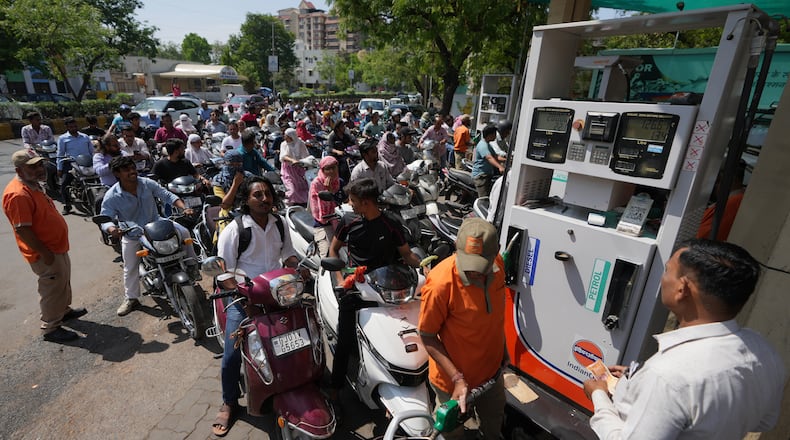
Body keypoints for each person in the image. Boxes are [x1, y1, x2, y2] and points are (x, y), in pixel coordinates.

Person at [583, 239, 786, 439]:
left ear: (682, 289)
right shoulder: (763, 350)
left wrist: (598, 396)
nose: (662, 279)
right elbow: (765, 421)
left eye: (667, 270)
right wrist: (636, 381)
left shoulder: (666, 376)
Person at [212, 175, 299, 437]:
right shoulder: (235, 230)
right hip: (243, 296)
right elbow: (222, 272)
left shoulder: (280, 223)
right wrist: (242, 297)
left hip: (277, 292)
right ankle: (229, 401)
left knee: (301, 331)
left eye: (267, 194)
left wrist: (300, 269)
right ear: (246, 201)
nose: (264, 199)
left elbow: (289, 255)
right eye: (257, 195)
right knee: (232, 353)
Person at [327, 178, 422, 406]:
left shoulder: (391, 222)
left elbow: (406, 254)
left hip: (388, 285)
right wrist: (341, 280)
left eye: (353, 200)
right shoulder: (348, 221)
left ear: (366, 203)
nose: (350, 204)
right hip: (358, 286)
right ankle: (334, 390)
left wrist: (423, 266)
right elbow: (334, 248)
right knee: (345, 340)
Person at [418, 217, 507, 440]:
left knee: (493, 425)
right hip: (452, 384)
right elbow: (427, 336)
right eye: (468, 264)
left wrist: (503, 348)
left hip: (492, 375)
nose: (474, 272)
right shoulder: (440, 284)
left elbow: (494, 315)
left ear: (494, 253)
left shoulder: (498, 266)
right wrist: (457, 378)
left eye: (481, 267)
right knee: (453, 434)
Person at [3, 150, 87, 343]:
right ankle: (51, 328)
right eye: (32, 167)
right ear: (19, 170)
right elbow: (23, 230)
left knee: (62, 282)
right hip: (46, 253)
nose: (39, 169)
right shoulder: (18, 195)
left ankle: (63, 311)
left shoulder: (32, 185)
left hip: (56, 247)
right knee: (51, 288)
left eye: (40, 165)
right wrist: (44, 253)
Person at [100, 156, 199, 316]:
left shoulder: (147, 183)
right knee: (130, 266)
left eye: (133, 167)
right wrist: (112, 229)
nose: (132, 171)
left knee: (185, 232)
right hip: (132, 233)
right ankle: (131, 298)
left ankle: (193, 266)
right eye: (126, 170)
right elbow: (105, 218)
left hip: (157, 224)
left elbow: (167, 195)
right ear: (117, 174)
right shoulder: (112, 196)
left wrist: (183, 208)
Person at [697, 161, 747, 241]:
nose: (714, 186)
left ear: (730, 179)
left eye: (717, 181)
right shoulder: (737, 200)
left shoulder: (733, 203)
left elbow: (701, 236)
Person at [56, 117, 94, 214]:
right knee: (64, 184)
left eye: (75, 126)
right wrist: (59, 168)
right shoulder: (63, 138)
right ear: (67, 127)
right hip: (71, 163)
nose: (73, 128)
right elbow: (60, 153)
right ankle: (67, 205)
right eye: (71, 127)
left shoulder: (85, 137)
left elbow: (92, 151)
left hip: (86, 163)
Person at [309, 156, 342, 257]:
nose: (331, 171)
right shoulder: (317, 184)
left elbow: (345, 200)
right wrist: (329, 191)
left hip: (340, 221)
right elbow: (322, 212)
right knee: (328, 256)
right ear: (322, 170)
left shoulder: (340, 181)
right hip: (323, 224)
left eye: (334, 167)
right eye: (328, 169)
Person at [471, 124, 505, 198]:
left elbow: (496, 157)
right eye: (494, 134)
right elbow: (489, 158)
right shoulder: (483, 145)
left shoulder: (488, 144)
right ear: (490, 134)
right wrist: (500, 167)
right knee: (483, 198)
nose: (495, 136)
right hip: (481, 176)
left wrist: (508, 160)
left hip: (487, 175)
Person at [279, 127, 310, 206]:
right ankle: (288, 205)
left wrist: (302, 162)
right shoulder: (284, 144)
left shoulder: (300, 143)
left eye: (287, 137)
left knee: (305, 187)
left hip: (299, 168)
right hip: (288, 169)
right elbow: (283, 156)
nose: (285, 138)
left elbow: (305, 156)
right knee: (291, 189)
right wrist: (292, 160)